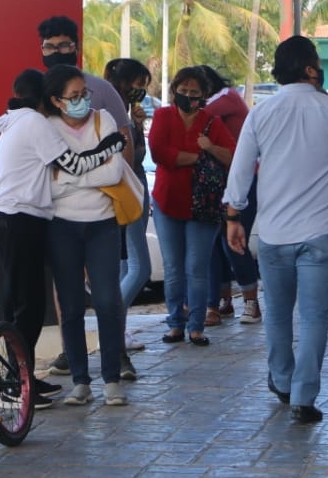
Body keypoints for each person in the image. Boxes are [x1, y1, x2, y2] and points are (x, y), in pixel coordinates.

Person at [224, 36, 328, 424]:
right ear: (310, 68)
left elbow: (240, 173)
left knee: (277, 313)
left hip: (272, 232)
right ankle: (305, 395)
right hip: (322, 232)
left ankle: (283, 381)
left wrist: (233, 218)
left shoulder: (261, 113)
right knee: (315, 315)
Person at [0, 69, 127, 406]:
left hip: (98, 223)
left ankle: (110, 379)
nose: (82, 101)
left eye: (85, 94)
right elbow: (63, 174)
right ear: (52, 99)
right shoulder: (41, 125)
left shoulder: (101, 119)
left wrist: (67, 179)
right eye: (74, 95)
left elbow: (114, 171)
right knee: (59, 306)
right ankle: (66, 381)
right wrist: (103, 154)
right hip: (50, 223)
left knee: (106, 301)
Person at [37, 15, 133, 377]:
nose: (56, 51)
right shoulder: (41, 99)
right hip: (61, 222)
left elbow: (122, 147)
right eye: (49, 46)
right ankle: (72, 357)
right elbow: (46, 174)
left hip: (105, 214)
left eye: (63, 45)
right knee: (69, 297)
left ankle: (117, 355)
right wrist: (90, 172)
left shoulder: (102, 92)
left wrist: (78, 174)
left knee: (107, 293)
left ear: (76, 46)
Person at [148, 66, 235, 347]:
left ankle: (196, 326)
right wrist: (197, 157)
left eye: (194, 93)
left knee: (196, 267)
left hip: (203, 207)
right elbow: (160, 153)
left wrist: (208, 147)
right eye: (182, 91)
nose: (187, 96)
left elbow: (232, 156)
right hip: (167, 202)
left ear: (203, 95)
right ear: (174, 91)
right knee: (173, 267)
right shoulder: (162, 116)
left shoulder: (213, 123)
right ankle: (175, 323)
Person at [103, 57, 156, 370]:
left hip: (133, 188)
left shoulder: (125, 112)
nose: (141, 91)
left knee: (125, 266)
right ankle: (112, 326)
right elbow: (129, 160)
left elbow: (139, 156)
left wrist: (138, 127)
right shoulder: (111, 111)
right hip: (125, 192)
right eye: (138, 84)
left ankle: (118, 332)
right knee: (140, 268)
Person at [198, 64, 260, 326]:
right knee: (215, 245)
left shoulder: (226, 99)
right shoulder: (222, 99)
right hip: (219, 181)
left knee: (235, 243)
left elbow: (199, 116)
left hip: (242, 180)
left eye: (195, 90)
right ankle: (221, 301)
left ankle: (251, 302)